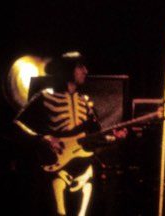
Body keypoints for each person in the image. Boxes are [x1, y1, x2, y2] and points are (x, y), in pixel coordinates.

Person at [14, 51, 100, 216]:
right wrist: (42, 138)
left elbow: (97, 134)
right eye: (80, 67)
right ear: (68, 69)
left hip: (83, 167)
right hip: (55, 166)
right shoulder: (45, 97)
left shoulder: (86, 101)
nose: (85, 71)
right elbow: (17, 124)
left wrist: (115, 136)